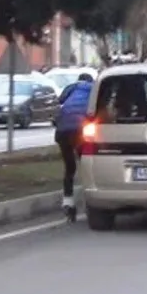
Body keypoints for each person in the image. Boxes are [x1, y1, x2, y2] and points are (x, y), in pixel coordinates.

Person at [54, 73, 94, 220]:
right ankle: (91, 202)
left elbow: (60, 100)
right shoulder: (94, 88)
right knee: (87, 165)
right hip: (80, 129)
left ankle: (68, 202)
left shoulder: (72, 87)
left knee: (69, 167)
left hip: (62, 130)